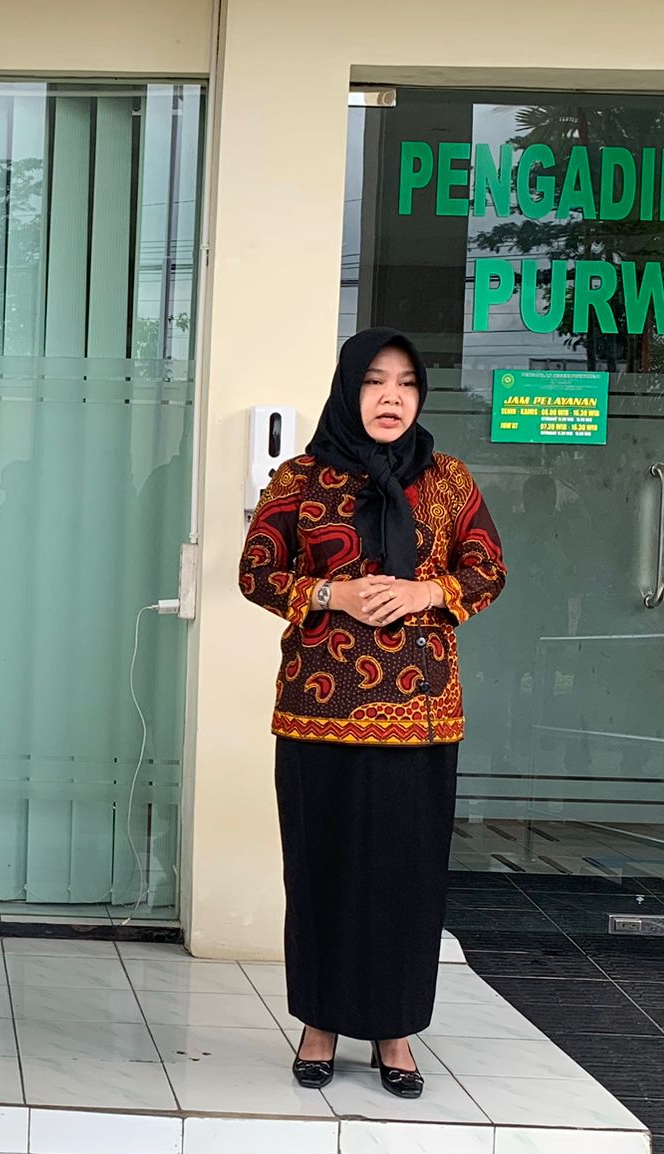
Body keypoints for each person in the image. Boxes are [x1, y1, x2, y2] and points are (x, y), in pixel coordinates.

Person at [239, 327, 506, 1099]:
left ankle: (394, 1032)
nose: (392, 397)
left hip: (421, 715)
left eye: (407, 383)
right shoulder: (300, 479)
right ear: (348, 389)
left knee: (405, 879)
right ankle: (319, 1026)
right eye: (375, 381)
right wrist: (333, 593)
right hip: (319, 712)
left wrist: (426, 591)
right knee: (320, 871)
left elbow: (488, 568)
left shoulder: (449, 481)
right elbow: (256, 571)